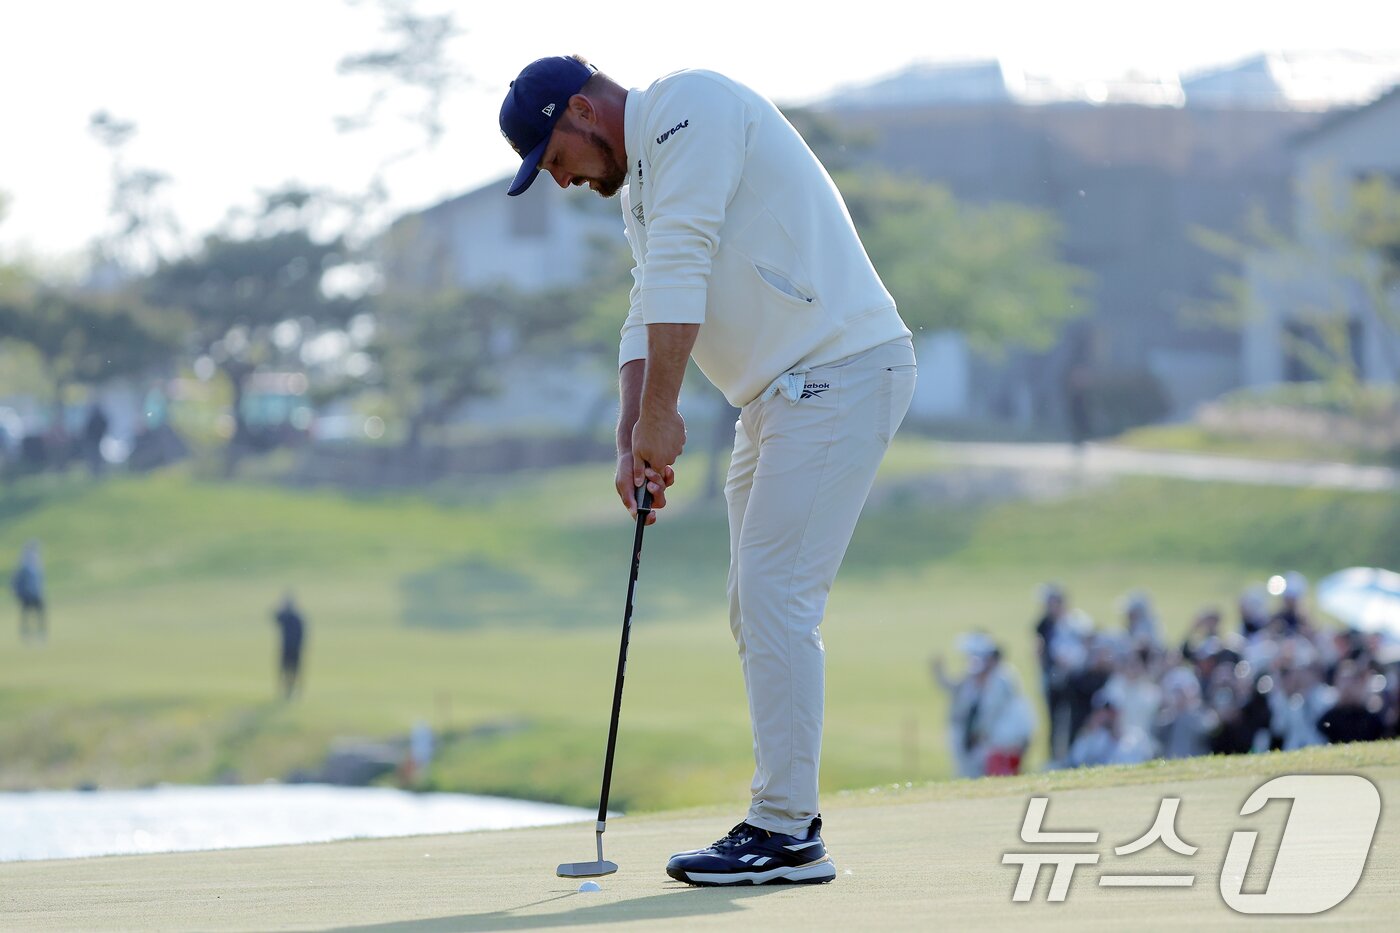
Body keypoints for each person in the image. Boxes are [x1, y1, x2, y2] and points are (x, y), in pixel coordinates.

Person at [499, 55, 916, 887]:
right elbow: (645, 298)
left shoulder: (691, 108)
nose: (563, 180)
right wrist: (631, 432)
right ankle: (784, 821)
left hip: (839, 370)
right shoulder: (643, 180)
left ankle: (787, 829)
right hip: (779, 395)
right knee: (753, 603)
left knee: (776, 595)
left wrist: (662, 415)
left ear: (581, 110)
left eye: (556, 159)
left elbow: (682, 263)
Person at [932, 634, 1034, 778]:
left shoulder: (1001, 679)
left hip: (1003, 739)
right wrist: (939, 673)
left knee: (998, 772)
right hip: (989, 739)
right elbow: (954, 687)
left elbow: (992, 712)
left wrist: (978, 732)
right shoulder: (977, 680)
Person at [273, 592, 306, 699]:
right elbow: (275, 617)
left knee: (294, 671)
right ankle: (286, 689)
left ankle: (292, 690)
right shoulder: (286, 617)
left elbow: (302, 634)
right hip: (286, 648)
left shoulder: (296, 618)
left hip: (294, 649)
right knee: (285, 670)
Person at [12, 541, 46, 643]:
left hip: (37, 594)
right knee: (26, 616)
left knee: (40, 615)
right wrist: (20, 593)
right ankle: (26, 634)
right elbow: (16, 581)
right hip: (27, 595)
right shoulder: (24, 566)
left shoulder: (37, 565)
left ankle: (41, 633)